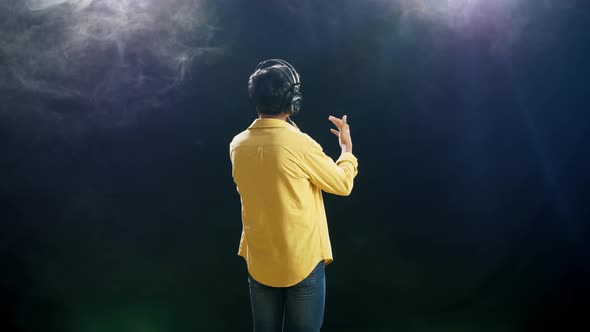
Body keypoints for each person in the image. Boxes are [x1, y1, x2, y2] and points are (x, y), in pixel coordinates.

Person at [229, 59, 358, 332]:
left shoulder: (237, 144)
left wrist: (293, 137)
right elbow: (343, 184)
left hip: (260, 257)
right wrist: (346, 150)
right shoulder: (301, 144)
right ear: (293, 100)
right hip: (300, 259)